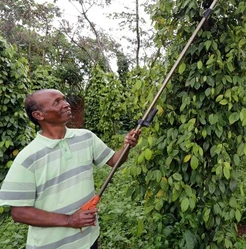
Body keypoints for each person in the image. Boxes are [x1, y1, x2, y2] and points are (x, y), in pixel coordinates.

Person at [0, 89, 141, 249]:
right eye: (57, 102)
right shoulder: (28, 157)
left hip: (89, 239)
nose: (66, 104)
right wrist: (69, 220)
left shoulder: (86, 137)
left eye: (64, 99)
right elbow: (19, 212)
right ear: (39, 115)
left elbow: (115, 161)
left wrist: (126, 146)